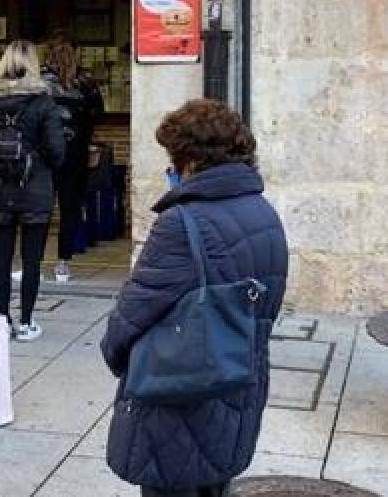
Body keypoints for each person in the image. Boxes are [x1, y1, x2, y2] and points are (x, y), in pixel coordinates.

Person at [101, 99, 289, 497]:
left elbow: (132, 314)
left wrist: (118, 358)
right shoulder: (265, 213)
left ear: (191, 161)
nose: (170, 171)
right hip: (239, 381)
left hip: (180, 394)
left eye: (172, 160)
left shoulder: (182, 223)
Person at [0, 39, 65, 341]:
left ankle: (2, 319)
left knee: (2, 256)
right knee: (32, 259)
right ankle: (25, 321)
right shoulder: (43, 102)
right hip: (35, 187)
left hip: (0, 187)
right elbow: (56, 150)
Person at [41, 32, 104, 283]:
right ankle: (63, 263)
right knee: (70, 208)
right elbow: (98, 112)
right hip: (76, 152)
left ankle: (33, 260)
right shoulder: (86, 81)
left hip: (46, 152)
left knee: (41, 208)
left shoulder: (40, 81)